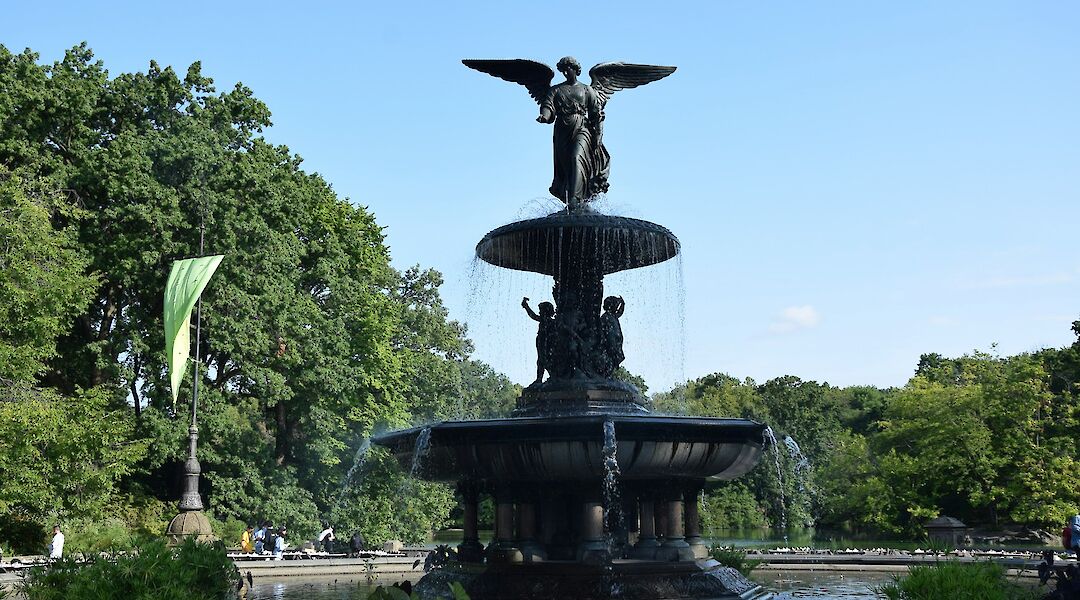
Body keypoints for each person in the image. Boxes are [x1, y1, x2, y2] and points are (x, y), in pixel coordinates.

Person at [538, 57, 609, 207]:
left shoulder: (586, 89)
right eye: (563, 69)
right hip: (562, 130)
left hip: (582, 128)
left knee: (577, 158)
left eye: (568, 68)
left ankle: (575, 200)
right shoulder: (556, 90)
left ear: (575, 69)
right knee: (566, 166)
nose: (565, 72)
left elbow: (595, 112)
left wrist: (598, 133)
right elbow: (548, 106)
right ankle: (574, 195)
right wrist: (544, 116)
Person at [522, 297, 556, 384]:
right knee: (542, 360)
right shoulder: (550, 321)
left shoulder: (547, 321)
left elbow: (533, 315)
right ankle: (543, 378)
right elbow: (533, 315)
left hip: (546, 342)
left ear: (546, 312)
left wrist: (526, 307)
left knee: (543, 360)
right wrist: (526, 307)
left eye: (541, 311)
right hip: (542, 341)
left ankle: (544, 378)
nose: (540, 312)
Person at [599, 295, 625, 376]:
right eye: (615, 305)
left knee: (614, 361)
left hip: (616, 342)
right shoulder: (606, 317)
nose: (617, 308)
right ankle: (605, 375)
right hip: (610, 343)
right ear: (610, 306)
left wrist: (623, 304)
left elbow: (620, 312)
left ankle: (608, 375)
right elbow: (605, 332)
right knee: (611, 359)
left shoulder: (613, 316)